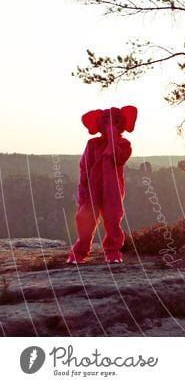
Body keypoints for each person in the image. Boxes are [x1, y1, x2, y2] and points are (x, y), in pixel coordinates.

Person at [67, 106, 137, 264]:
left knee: (113, 217)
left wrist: (112, 137)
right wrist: (83, 187)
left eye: (116, 120)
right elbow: (84, 165)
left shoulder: (124, 144)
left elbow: (117, 157)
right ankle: (79, 251)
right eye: (106, 120)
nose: (111, 123)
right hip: (92, 186)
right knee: (84, 217)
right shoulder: (92, 144)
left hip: (113, 187)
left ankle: (113, 251)